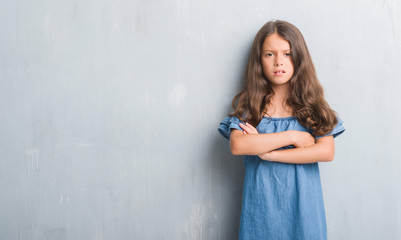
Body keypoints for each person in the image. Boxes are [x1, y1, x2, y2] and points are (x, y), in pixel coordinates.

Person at [217, 20, 345, 240]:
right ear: (259, 60)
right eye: (269, 54)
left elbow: (325, 151)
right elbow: (238, 145)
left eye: (287, 54)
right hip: (261, 215)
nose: (279, 62)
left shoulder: (313, 108)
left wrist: (269, 153)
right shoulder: (250, 107)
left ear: (299, 58)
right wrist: (293, 136)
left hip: (305, 216)